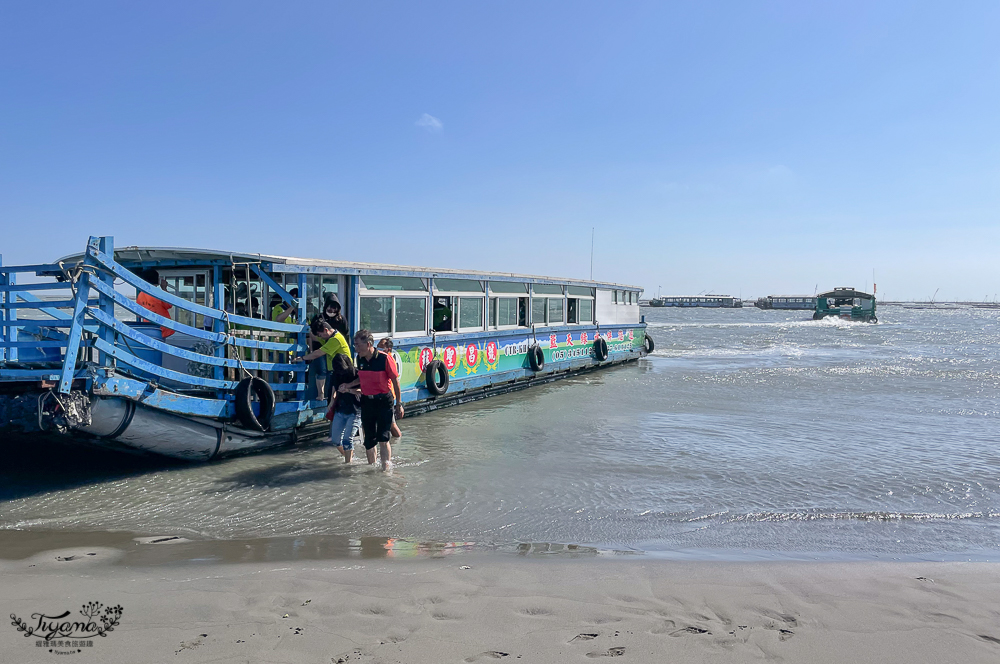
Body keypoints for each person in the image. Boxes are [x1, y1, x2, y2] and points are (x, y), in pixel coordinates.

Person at [339, 329, 402, 470]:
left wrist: (399, 404)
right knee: (369, 438)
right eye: (354, 345)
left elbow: (395, 381)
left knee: (383, 437)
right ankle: (372, 469)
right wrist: (348, 385)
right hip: (367, 400)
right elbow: (361, 378)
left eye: (357, 345)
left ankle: (386, 469)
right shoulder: (359, 359)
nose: (355, 348)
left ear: (368, 344)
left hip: (384, 400)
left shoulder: (384, 358)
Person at [291, 319, 351, 402]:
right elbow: (314, 337)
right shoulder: (330, 337)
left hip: (344, 371)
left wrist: (303, 358)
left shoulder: (335, 339)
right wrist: (306, 328)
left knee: (340, 396)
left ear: (326, 330)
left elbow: (318, 353)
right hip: (335, 370)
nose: (320, 337)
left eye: (320, 335)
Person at [326, 353, 361, 463]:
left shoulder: (356, 373)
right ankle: (350, 456)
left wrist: (348, 390)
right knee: (336, 440)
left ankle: (348, 463)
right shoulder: (335, 374)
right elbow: (334, 390)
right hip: (340, 409)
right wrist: (331, 402)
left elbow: (364, 390)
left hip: (355, 410)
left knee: (347, 438)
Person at [376, 338, 403, 440]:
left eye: (381, 346)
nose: (378, 348)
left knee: (392, 424)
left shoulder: (388, 359)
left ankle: (398, 440)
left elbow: (396, 382)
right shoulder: (380, 358)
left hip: (388, 395)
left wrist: (399, 404)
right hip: (381, 395)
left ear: (388, 349)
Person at [135, 269, 174, 339]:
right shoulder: (159, 294)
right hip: (163, 329)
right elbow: (169, 305)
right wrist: (164, 288)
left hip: (149, 328)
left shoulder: (140, 294)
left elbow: (138, 314)